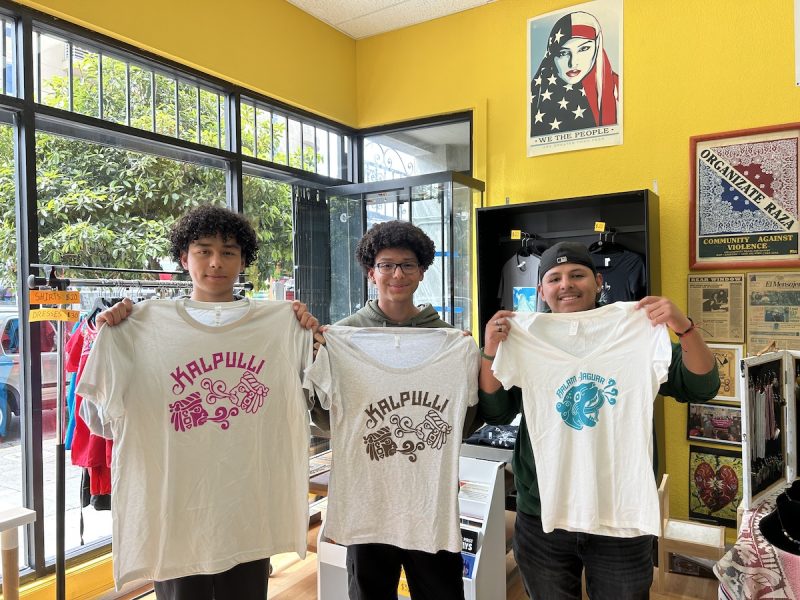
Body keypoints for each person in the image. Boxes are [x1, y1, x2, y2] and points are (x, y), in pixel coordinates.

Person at [80, 205, 318, 600]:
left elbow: (319, 407)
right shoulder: (139, 327)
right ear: (182, 258)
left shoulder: (282, 325)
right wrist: (108, 336)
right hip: (175, 523)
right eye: (202, 250)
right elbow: (101, 420)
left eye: (228, 252)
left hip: (248, 515)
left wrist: (311, 337)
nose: (215, 262)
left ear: (243, 260)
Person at [479, 241, 719, 600]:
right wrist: (490, 352)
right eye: (555, 278)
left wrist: (683, 328)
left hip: (620, 509)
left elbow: (702, 386)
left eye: (577, 275)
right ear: (541, 289)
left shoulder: (635, 330)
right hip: (545, 509)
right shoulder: (526, 338)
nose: (566, 285)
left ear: (598, 280)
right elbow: (496, 411)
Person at [312, 220, 474, 600]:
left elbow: (461, 423)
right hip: (368, 504)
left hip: (430, 506)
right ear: (372, 273)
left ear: (421, 273)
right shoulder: (343, 337)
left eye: (407, 265)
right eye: (386, 265)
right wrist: (322, 360)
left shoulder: (450, 340)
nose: (397, 274)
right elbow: (325, 421)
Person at [530, 11, 619, 137]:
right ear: (552, 55)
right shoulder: (537, 93)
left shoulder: (618, 89)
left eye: (584, 49)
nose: (573, 63)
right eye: (563, 53)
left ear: (597, 47)